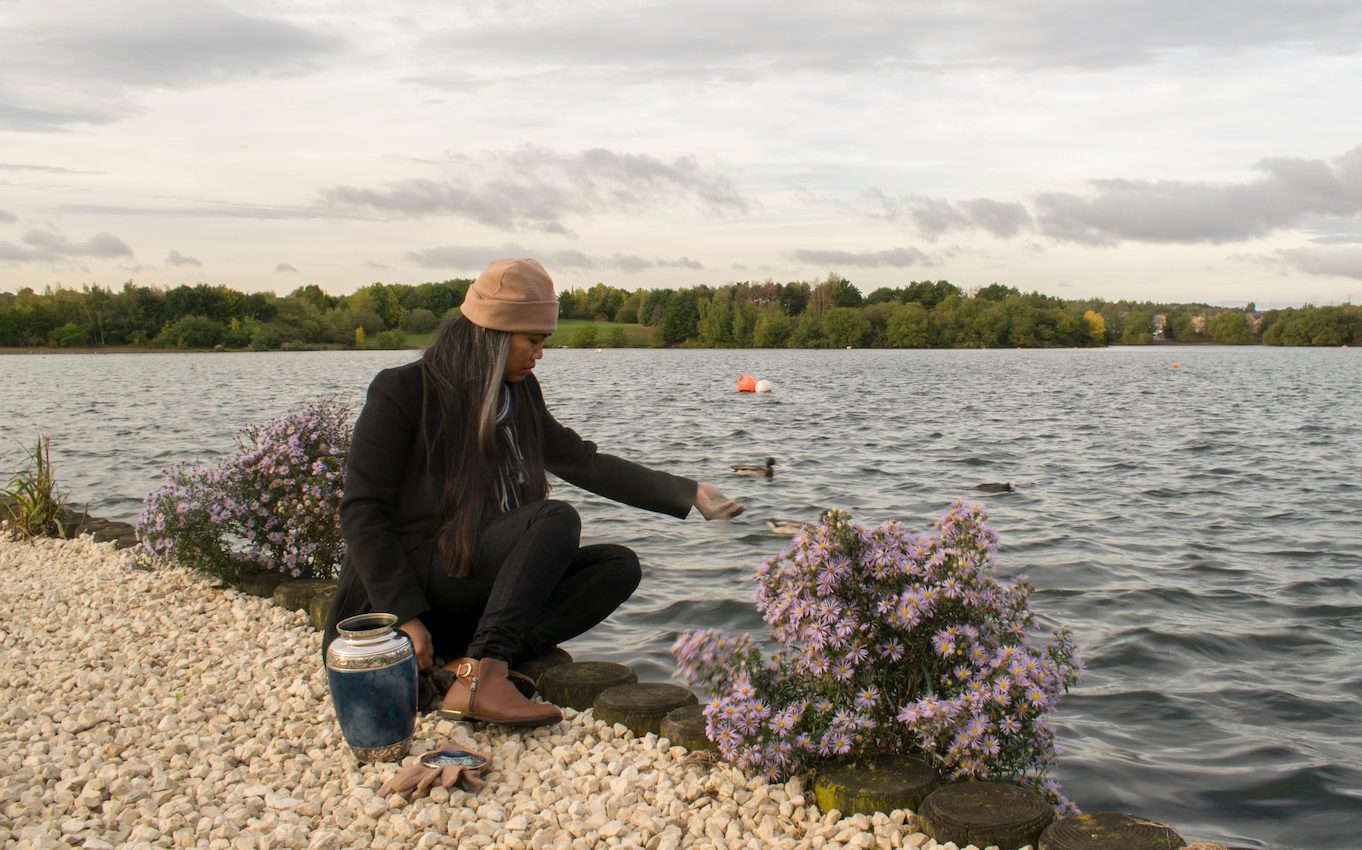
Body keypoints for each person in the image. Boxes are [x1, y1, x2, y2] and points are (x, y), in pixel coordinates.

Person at [323, 258, 743, 728]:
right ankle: (485, 678)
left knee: (617, 566)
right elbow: (362, 512)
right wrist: (404, 616)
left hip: (460, 589)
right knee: (554, 518)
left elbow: (582, 461)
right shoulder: (401, 391)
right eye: (534, 341)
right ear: (496, 333)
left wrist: (690, 493)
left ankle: (466, 666)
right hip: (402, 601)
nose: (539, 354)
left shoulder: (515, 395)